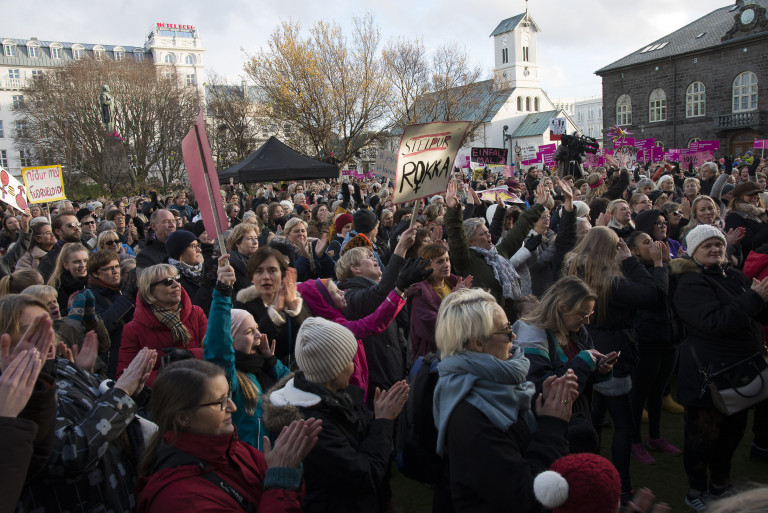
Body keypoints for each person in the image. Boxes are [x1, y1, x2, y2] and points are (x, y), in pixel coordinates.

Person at [432, 288, 577, 513]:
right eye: (507, 330)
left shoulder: (494, 383)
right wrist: (553, 426)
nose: (514, 337)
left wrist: (542, 407)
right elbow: (524, 498)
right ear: (478, 343)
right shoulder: (470, 417)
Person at [263, 317, 409, 513]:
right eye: (348, 360)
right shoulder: (315, 426)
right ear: (332, 370)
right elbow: (365, 474)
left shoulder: (335, 397)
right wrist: (383, 421)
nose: (354, 366)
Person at [137, 359, 321, 513]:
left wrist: (289, 467)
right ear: (184, 418)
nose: (232, 407)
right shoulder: (179, 501)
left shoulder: (229, 448)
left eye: (229, 397)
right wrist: (281, 482)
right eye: (221, 402)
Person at [669, 225, 768, 511]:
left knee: (732, 434)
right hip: (708, 375)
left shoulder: (733, 275)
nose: (714, 250)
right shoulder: (690, 282)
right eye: (707, 246)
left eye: (718, 245)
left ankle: (720, 484)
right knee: (702, 438)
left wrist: (762, 299)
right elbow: (715, 323)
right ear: (693, 251)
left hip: (739, 370)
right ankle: (696, 491)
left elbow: (755, 313)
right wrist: (754, 297)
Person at [562, 226, 658, 503]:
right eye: (617, 246)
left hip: (586, 349)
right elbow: (651, 293)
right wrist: (631, 262)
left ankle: (591, 478)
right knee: (623, 425)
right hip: (611, 353)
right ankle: (622, 487)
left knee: (593, 418)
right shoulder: (610, 281)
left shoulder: (574, 270)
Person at [513, 275, 615, 454]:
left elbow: (584, 369)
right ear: (562, 307)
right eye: (583, 314)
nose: (587, 321)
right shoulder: (531, 335)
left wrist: (599, 369)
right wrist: (583, 363)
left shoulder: (574, 328)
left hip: (575, 416)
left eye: (589, 314)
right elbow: (539, 389)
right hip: (549, 427)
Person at [202, 256, 291, 449]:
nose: (259, 335)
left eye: (257, 328)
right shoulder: (230, 379)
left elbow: (290, 383)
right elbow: (219, 347)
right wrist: (223, 291)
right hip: (250, 458)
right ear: (231, 339)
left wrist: (271, 361)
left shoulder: (260, 367)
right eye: (250, 331)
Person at [444, 180, 548, 321]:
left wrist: (538, 206)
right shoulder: (467, 260)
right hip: (484, 322)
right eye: (483, 234)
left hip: (508, 320)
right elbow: (456, 236)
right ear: (470, 241)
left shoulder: (498, 253)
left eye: (488, 232)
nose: (489, 235)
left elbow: (520, 229)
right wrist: (453, 210)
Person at [623, 230, 682, 464]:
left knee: (658, 391)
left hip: (669, 337)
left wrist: (666, 264)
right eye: (647, 243)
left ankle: (655, 436)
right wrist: (659, 264)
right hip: (646, 339)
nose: (655, 245)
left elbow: (675, 294)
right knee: (639, 394)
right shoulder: (633, 271)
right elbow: (657, 295)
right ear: (635, 251)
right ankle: (634, 440)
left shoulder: (661, 266)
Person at [118, 263, 207, 386]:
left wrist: (190, 355)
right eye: (168, 281)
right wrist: (164, 375)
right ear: (150, 291)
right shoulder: (133, 329)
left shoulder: (196, 313)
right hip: (164, 394)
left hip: (200, 387)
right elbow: (124, 375)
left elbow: (215, 351)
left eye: (177, 279)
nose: (176, 284)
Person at [235, 247, 309, 365]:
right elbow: (254, 346)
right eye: (259, 271)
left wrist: (294, 307)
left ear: (282, 274)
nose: (266, 277)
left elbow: (310, 338)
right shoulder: (242, 306)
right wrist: (274, 312)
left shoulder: (296, 301)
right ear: (252, 278)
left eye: (272, 270)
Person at [406, 242, 471, 358]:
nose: (446, 265)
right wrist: (454, 299)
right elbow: (435, 329)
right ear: (426, 266)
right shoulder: (420, 293)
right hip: (434, 357)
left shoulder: (455, 284)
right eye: (440, 262)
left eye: (447, 260)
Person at [87, 250, 137, 378]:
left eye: (117, 266)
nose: (115, 271)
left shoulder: (126, 288)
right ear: (95, 273)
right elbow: (103, 325)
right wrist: (127, 297)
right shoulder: (89, 296)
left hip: (136, 351)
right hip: (113, 361)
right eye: (109, 269)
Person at [165, 229, 210, 310]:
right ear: (180, 251)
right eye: (193, 246)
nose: (199, 250)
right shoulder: (171, 280)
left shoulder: (207, 269)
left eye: (198, 245)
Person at [283, 218, 334, 282]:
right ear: (287, 236)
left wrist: (322, 256)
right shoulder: (282, 251)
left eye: (303, 231)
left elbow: (333, 273)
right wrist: (304, 256)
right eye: (296, 231)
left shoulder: (315, 246)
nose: (301, 234)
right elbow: (295, 277)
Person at [47, 242, 90, 317]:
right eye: (76, 262)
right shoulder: (57, 286)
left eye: (85, 260)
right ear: (66, 265)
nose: (83, 265)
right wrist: (69, 308)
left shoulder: (94, 282)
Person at [37, 211, 82, 282]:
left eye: (78, 225)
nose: (77, 228)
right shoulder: (49, 260)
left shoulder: (87, 251)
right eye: (71, 225)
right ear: (58, 231)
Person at [227, 223, 261, 295]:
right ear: (237, 243)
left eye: (256, 238)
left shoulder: (262, 262)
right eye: (249, 238)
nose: (255, 242)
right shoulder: (230, 266)